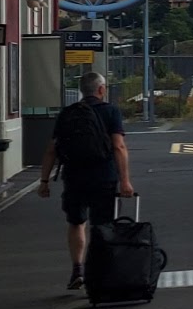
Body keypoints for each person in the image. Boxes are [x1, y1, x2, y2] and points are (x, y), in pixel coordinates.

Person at [38, 70, 136, 291]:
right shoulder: (110, 111)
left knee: (76, 222)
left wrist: (44, 181)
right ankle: (100, 272)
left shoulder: (67, 113)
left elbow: (51, 149)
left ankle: (77, 270)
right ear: (101, 89)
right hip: (104, 177)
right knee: (102, 225)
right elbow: (118, 146)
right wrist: (125, 181)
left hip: (73, 177)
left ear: (83, 91)